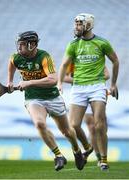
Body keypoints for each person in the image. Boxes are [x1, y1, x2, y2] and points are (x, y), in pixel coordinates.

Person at [7, 31, 86, 171]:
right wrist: (10, 81)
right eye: (19, 44)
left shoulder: (44, 57)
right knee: (39, 124)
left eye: (23, 45)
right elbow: (12, 65)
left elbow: (53, 80)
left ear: (32, 45)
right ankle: (58, 156)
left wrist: (29, 82)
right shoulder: (15, 58)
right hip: (33, 98)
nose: (19, 48)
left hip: (52, 97)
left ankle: (77, 151)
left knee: (67, 131)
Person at [58, 13, 119, 171]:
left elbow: (110, 68)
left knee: (98, 124)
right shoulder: (73, 46)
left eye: (80, 24)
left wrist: (112, 84)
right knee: (73, 125)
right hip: (79, 88)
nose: (77, 27)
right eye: (76, 24)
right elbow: (64, 69)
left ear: (88, 25)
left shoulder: (101, 43)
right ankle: (88, 148)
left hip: (97, 86)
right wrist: (59, 82)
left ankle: (103, 160)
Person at [64, 64, 110, 166]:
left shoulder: (95, 56)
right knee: (92, 127)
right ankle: (99, 157)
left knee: (101, 127)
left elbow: (107, 75)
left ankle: (103, 156)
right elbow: (64, 77)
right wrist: (80, 80)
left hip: (96, 91)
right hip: (81, 94)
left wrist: (91, 79)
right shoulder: (73, 60)